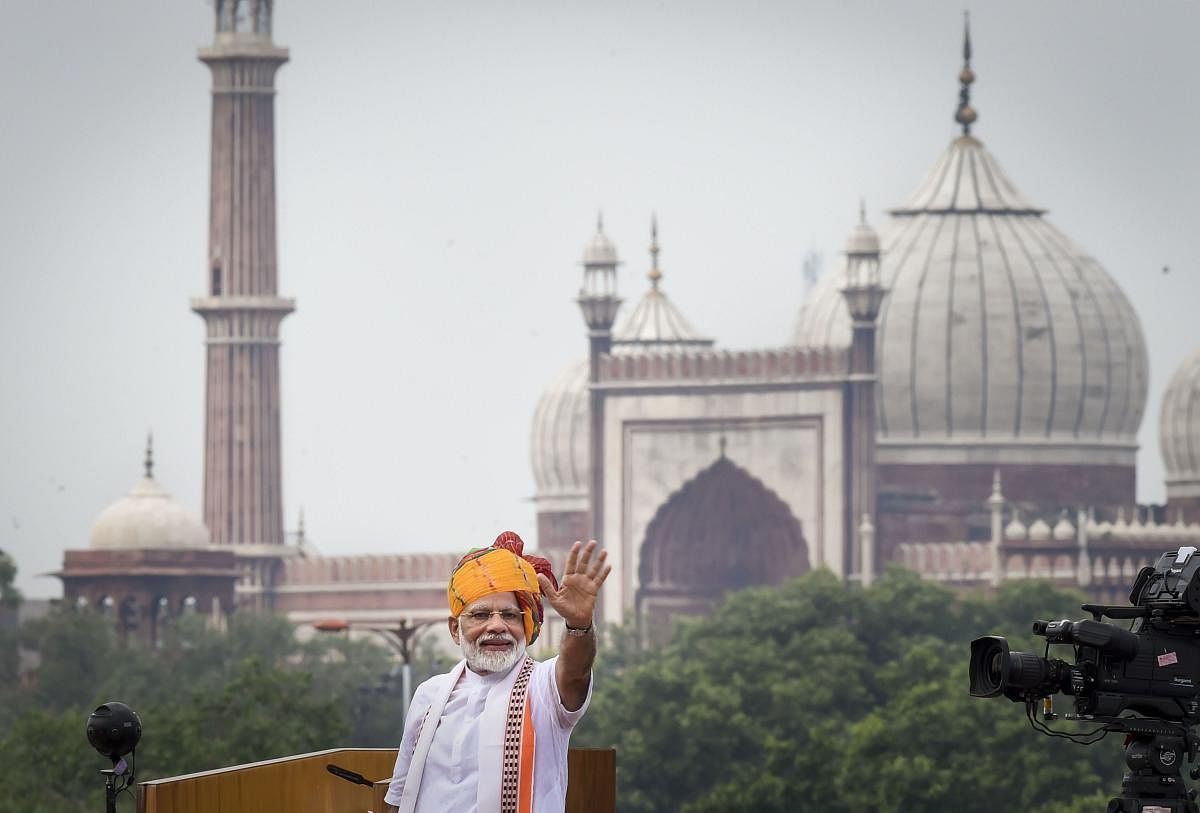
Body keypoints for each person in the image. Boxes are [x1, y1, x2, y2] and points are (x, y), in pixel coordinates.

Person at [384, 531, 611, 813]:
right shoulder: (429, 694)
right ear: (456, 629)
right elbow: (400, 794)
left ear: (525, 625)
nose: (496, 626)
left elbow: (576, 671)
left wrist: (579, 625)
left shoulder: (543, 686)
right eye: (480, 615)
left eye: (509, 615)